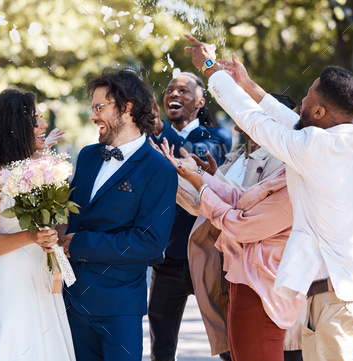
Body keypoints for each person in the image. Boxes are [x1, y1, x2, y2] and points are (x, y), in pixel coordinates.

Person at [185, 33, 353, 361]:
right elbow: (290, 124)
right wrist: (249, 85)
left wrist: (211, 69)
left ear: (321, 112)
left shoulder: (312, 147)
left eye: (308, 96)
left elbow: (255, 123)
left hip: (333, 300)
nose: (302, 103)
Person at [60, 68, 177, 361]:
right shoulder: (87, 156)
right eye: (93, 108)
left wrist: (81, 244)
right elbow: (74, 217)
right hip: (71, 302)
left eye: (100, 107)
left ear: (127, 109)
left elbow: (150, 242)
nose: (93, 116)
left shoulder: (159, 169)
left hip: (119, 308)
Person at [178, 95, 304, 361]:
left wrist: (201, 184)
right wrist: (201, 177)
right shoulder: (237, 156)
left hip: (262, 284)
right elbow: (237, 197)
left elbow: (245, 222)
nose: (238, 124)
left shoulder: (288, 169)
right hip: (235, 272)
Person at [0, 89, 75, 361]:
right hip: (10, 284)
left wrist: (55, 235)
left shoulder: (43, 167)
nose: (43, 125)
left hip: (42, 279)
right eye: (35, 120)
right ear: (15, 127)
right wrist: (31, 237)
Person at [147, 72, 231, 361]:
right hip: (166, 259)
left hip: (208, 255)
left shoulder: (217, 137)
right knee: (161, 345)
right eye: (170, 90)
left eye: (184, 90)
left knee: (227, 341)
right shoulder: (149, 140)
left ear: (200, 101)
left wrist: (159, 129)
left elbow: (191, 159)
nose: (174, 94)